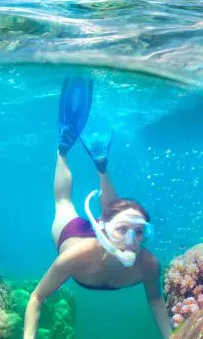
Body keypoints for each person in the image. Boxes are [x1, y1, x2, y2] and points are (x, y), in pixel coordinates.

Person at [23, 76, 173, 339]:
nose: (130, 240)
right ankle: (63, 148)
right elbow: (37, 297)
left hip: (101, 231)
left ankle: (101, 164)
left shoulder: (148, 264)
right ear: (100, 226)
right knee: (63, 203)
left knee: (113, 212)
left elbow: (155, 302)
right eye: (123, 230)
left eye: (139, 232)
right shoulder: (73, 257)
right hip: (73, 234)